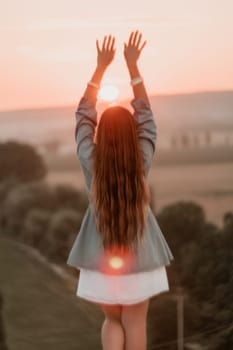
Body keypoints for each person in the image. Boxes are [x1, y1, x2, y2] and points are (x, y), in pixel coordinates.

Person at [66, 31, 174, 350]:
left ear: (101, 135)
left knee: (112, 320)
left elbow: (83, 117)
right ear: (132, 135)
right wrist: (133, 68)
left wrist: (99, 70)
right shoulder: (141, 158)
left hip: (100, 257)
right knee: (135, 321)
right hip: (141, 255)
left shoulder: (90, 159)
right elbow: (148, 119)